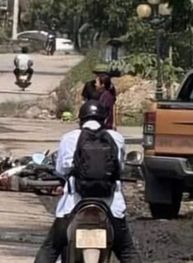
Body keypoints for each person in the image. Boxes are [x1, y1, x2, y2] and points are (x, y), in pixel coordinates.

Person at [33, 100, 140, 263]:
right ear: (104, 119)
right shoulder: (117, 138)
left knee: (50, 248)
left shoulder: (69, 138)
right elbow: (120, 167)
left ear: (81, 119)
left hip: (73, 205)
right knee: (127, 251)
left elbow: (61, 169)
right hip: (111, 207)